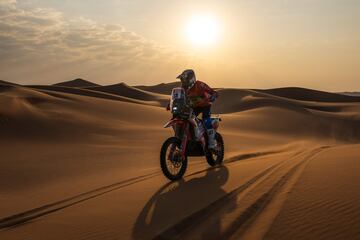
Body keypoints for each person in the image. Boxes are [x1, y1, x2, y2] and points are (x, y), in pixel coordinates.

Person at [176, 69, 218, 149]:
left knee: (206, 119)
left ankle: (212, 142)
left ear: (191, 79)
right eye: (182, 80)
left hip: (205, 105)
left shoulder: (200, 85)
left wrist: (212, 96)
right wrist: (171, 103)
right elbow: (179, 98)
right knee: (187, 119)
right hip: (194, 107)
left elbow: (213, 92)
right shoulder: (183, 89)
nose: (183, 82)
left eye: (185, 80)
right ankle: (191, 139)